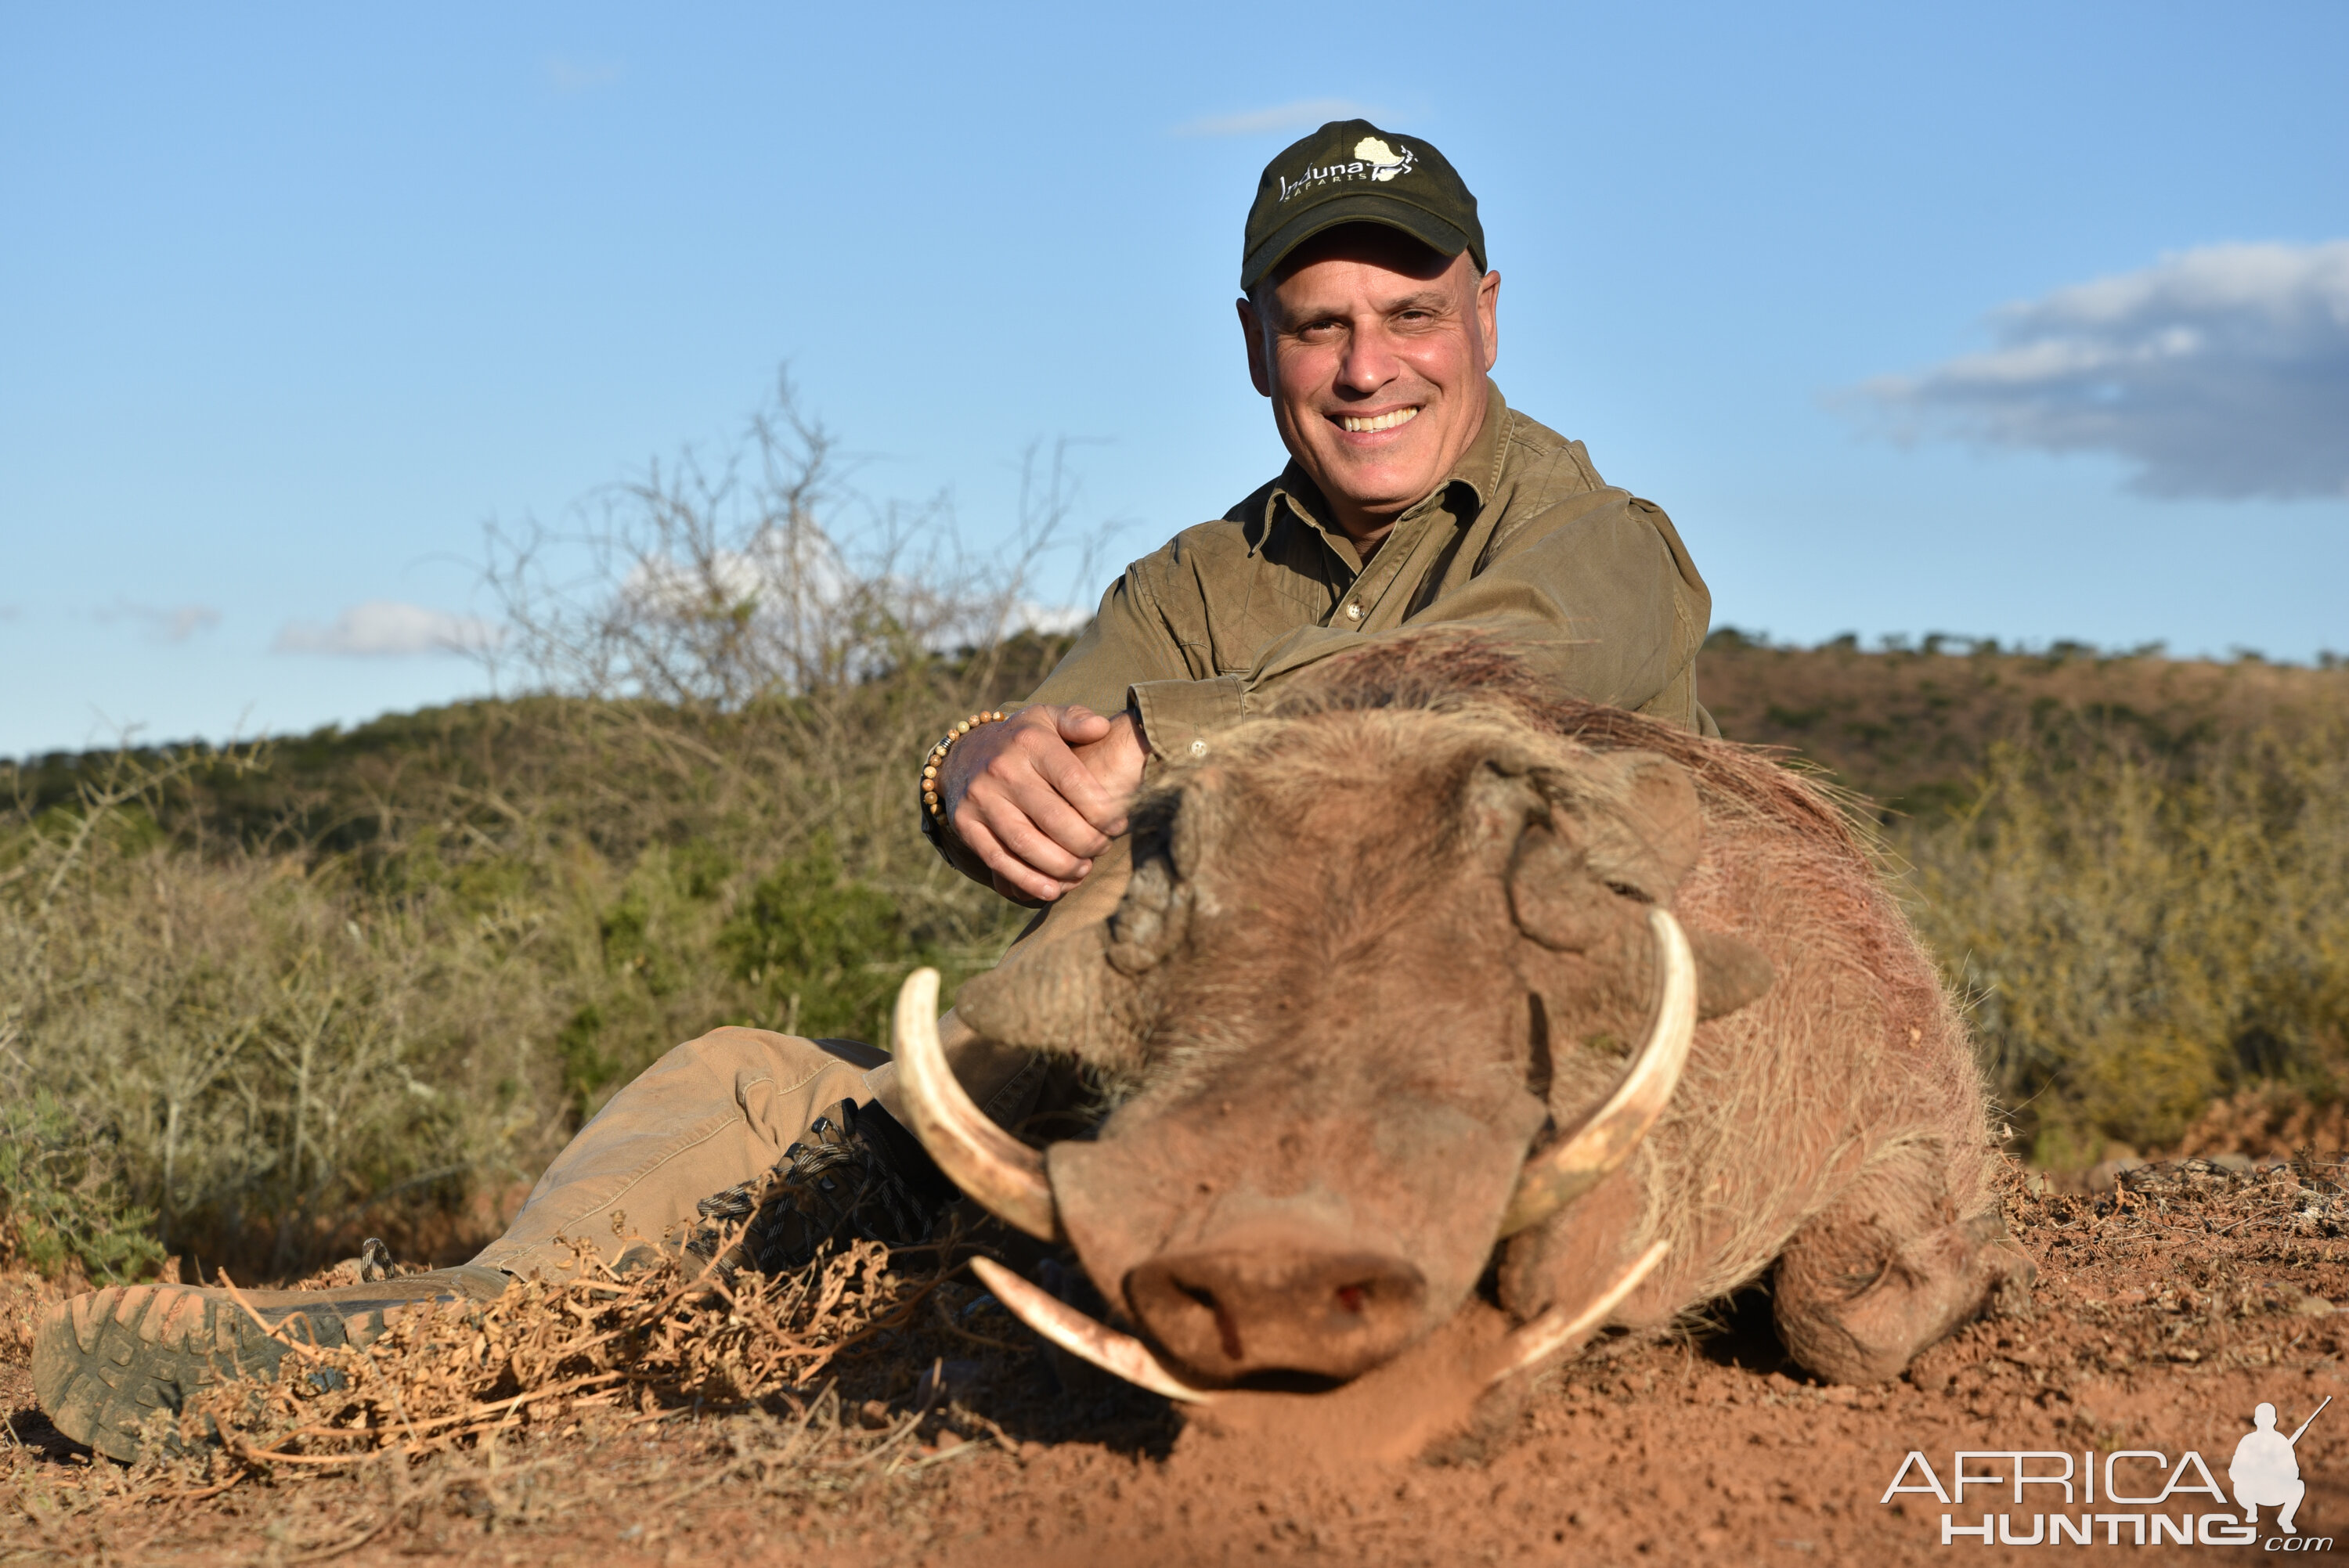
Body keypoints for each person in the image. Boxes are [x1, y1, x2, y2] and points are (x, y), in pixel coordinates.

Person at [32, 120, 1714, 1461]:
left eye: (1412, 315)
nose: (1368, 367)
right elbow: (1064, 784)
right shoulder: (1198, 577)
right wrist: (971, 765)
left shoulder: (1594, 539)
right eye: (1320, 323)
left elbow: (1476, 676)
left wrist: (1166, 741)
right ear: (1253, 343)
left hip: (1473, 1082)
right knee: (742, 1077)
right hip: (1213, 1066)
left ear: (1488, 311)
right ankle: (429, 1335)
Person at [2231, 1400, 2321, 1534]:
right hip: (2252, 1492)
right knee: (2238, 1485)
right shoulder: (2248, 1441)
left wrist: (2277, 1468)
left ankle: (2285, 1519)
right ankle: (2251, 1510)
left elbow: (2294, 1473)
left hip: (2275, 1491)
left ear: (2273, 1420)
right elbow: (2234, 1471)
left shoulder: (2281, 1441)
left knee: (2298, 1486)